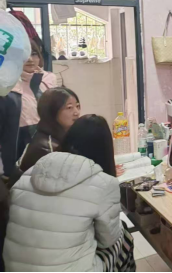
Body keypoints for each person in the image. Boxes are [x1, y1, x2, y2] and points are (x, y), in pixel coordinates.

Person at [4, 115, 126, 272]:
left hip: (14, 267)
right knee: (124, 237)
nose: (74, 111)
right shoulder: (103, 183)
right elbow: (108, 240)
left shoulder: (31, 171)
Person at [0, 39, 58, 178]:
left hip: (48, 138)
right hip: (18, 141)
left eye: (34, 54)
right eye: (23, 55)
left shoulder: (48, 78)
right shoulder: (7, 85)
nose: (30, 59)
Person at [9, 87, 80, 186]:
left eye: (78, 106)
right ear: (52, 111)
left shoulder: (54, 135)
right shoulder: (47, 148)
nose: (76, 112)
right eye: (69, 108)